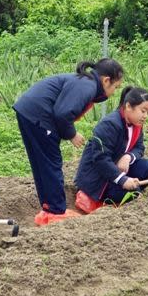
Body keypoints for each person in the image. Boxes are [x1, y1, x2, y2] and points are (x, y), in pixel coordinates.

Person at [13, 58, 124, 226]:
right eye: (115, 87)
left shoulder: (84, 82)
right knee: (51, 163)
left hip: (28, 112)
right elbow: (63, 113)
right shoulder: (88, 86)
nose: (114, 92)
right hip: (38, 115)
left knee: (42, 163)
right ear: (106, 80)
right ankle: (56, 212)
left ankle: (49, 208)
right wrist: (72, 134)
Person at [74, 86, 148, 213]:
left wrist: (128, 156)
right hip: (99, 178)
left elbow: (139, 147)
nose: (145, 116)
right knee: (133, 193)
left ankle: (124, 188)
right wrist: (122, 180)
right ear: (128, 106)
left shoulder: (137, 124)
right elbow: (101, 159)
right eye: (143, 111)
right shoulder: (110, 124)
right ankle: (114, 193)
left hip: (117, 170)